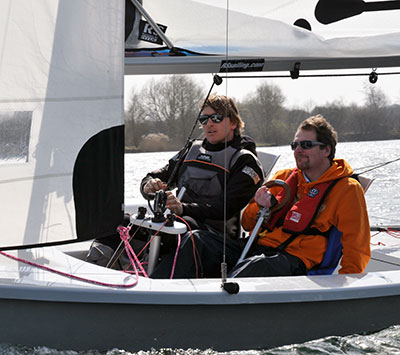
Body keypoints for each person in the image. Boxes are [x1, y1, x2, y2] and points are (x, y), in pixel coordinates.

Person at [150, 114, 371, 278]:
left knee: (256, 267)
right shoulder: (284, 178)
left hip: (296, 260)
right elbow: (247, 223)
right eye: (295, 145)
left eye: (306, 145)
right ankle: (156, 295)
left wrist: (345, 287)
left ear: (327, 150)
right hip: (257, 247)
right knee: (197, 240)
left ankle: (217, 311)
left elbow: (357, 246)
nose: (298, 150)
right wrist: (261, 207)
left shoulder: (347, 189)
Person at [86, 93, 264, 267]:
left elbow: (225, 208)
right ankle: (95, 273)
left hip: (212, 237)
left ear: (233, 122)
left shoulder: (245, 161)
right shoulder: (192, 150)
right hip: (178, 221)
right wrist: (149, 185)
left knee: (171, 231)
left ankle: (152, 281)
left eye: (216, 118)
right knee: (117, 222)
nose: (209, 123)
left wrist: (182, 208)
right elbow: (159, 175)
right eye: (204, 119)